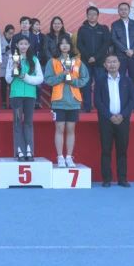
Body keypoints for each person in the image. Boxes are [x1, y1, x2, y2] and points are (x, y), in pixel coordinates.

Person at [45, 36, 90, 169]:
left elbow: (85, 78)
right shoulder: (53, 62)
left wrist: (73, 82)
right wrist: (62, 75)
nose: (65, 46)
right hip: (58, 100)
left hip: (74, 100)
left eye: (67, 44)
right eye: (62, 44)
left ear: (71, 46)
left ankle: (69, 157)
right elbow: (48, 80)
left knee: (71, 129)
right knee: (59, 129)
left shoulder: (78, 62)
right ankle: (60, 157)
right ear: (58, 46)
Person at [95, 53, 134, 187]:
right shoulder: (100, 81)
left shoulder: (127, 81)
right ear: (104, 65)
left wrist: (122, 115)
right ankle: (106, 179)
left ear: (119, 64)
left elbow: (132, 100)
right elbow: (97, 101)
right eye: (109, 62)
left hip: (123, 120)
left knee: (122, 151)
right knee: (106, 150)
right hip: (106, 121)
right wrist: (110, 116)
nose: (112, 64)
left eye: (114, 62)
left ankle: (122, 179)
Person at [5, 35, 42, 161]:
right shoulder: (12, 59)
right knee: (17, 123)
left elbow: (40, 79)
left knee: (28, 123)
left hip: (30, 96)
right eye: (21, 44)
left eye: (26, 44)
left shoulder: (34, 59)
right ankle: (19, 151)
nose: (23, 46)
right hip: (16, 95)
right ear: (16, 45)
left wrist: (25, 77)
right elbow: (8, 79)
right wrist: (13, 71)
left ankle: (29, 151)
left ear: (29, 45)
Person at [76, 6, 111, 114]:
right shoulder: (82, 29)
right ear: (87, 15)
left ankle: (100, 105)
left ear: (98, 16)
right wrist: (88, 57)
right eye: (90, 14)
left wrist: (95, 57)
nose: (92, 16)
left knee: (100, 84)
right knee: (86, 84)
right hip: (86, 62)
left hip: (100, 62)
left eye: (94, 14)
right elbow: (79, 45)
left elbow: (106, 45)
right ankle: (87, 106)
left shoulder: (103, 28)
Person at [110, 2, 134, 112]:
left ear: (129, 11)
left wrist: (132, 50)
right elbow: (114, 39)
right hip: (121, 57)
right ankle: (122, 105)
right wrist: (125, 50)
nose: (123, 11)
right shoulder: (115, 25)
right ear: (118, 11)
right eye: (121, 9)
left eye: (125, 9)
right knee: (121, 81)